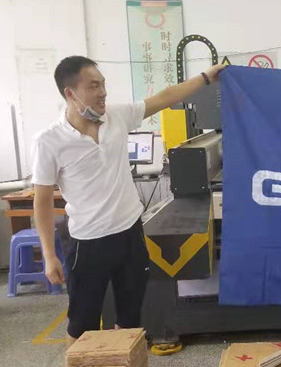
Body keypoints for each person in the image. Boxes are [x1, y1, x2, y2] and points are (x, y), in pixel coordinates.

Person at [33, 56, 226, 342]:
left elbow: (164, 98)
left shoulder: (117, 116)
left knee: (130, 318)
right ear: (70, 93)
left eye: (103, 85)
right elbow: (42, 201)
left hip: (130, 235)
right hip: (89, 242)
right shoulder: (49, 140)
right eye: (93, 86)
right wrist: (49, 256)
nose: (103, 93)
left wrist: (206, 78)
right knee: (82, 326)